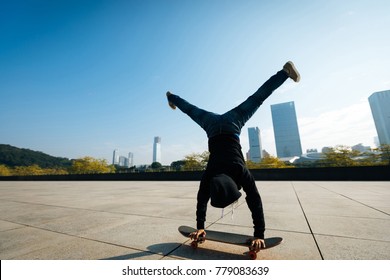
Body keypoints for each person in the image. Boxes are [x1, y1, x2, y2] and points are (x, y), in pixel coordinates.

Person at [166, 61, 300, 251]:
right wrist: (201, 227)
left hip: (230, 125)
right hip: (216, 126)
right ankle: (284, 72)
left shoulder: (237, 171)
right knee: (254, 98)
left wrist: (200, 227)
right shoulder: (212, 174)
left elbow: (253, 199)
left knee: (194, 109)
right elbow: (205, 199)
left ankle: (172, 97)